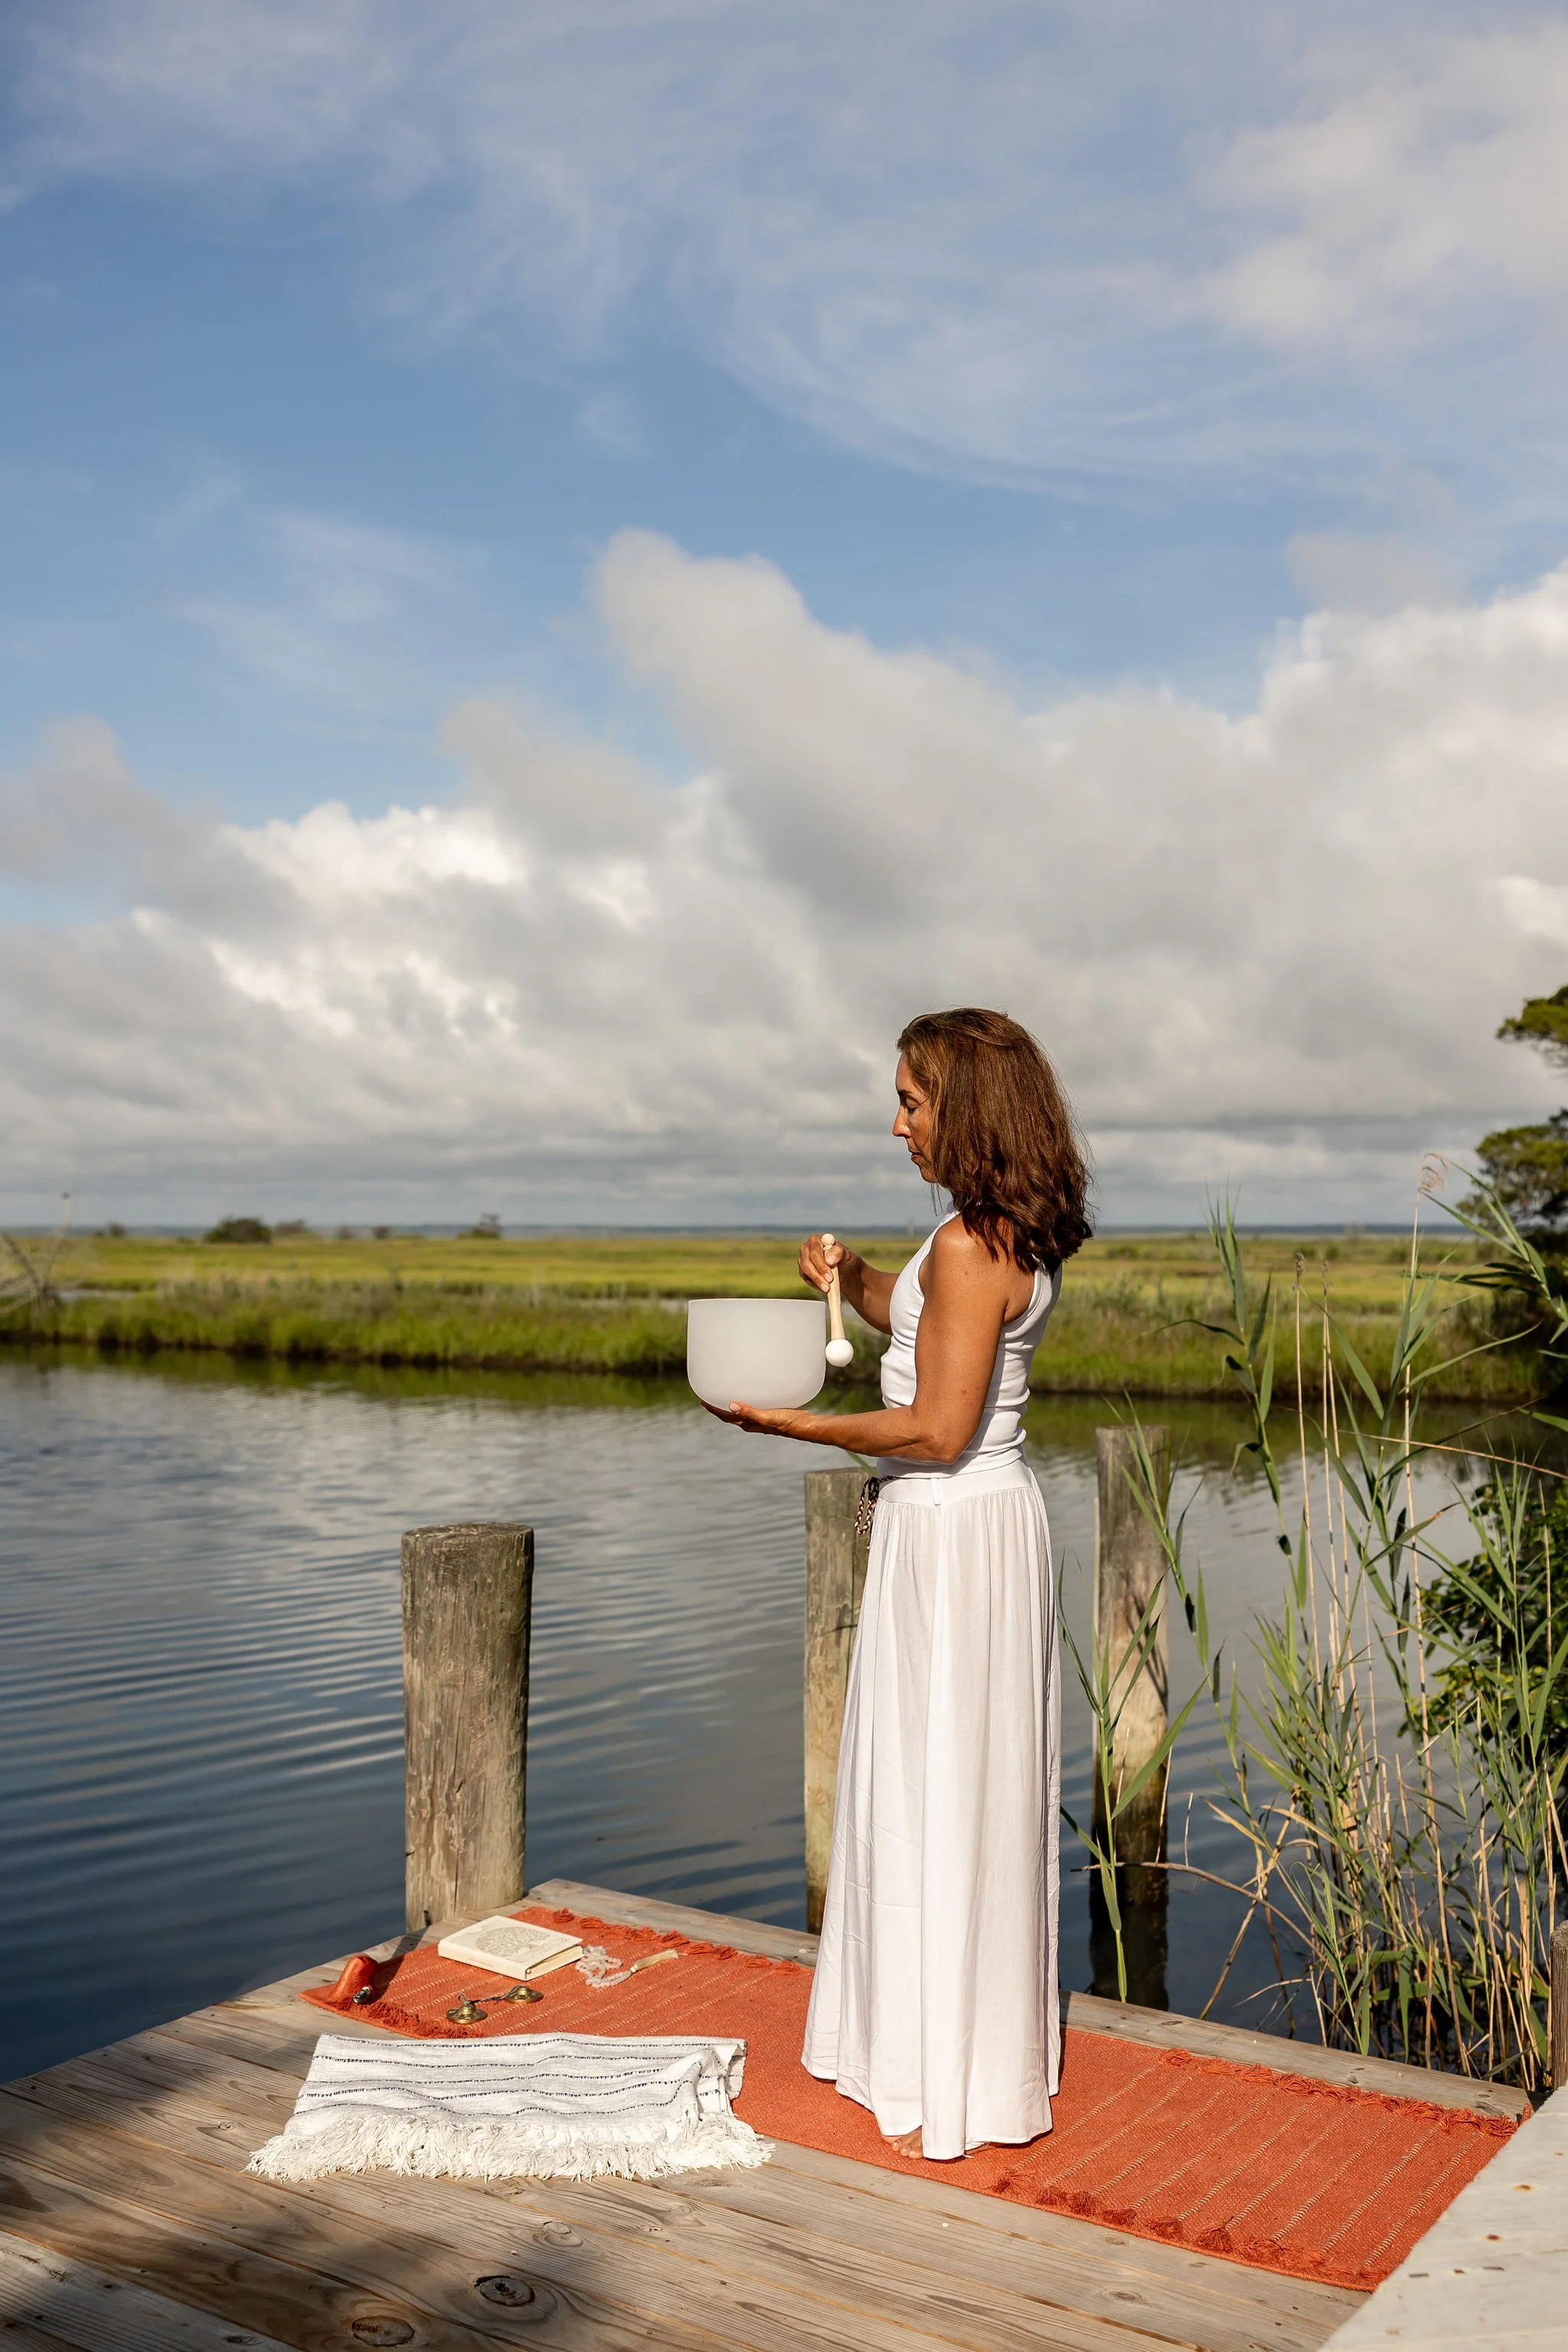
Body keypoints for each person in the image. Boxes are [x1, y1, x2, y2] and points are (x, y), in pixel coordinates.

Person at [704, 1008, 1093, 2161]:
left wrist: (796, 1425)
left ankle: (941, 2066)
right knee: (951, 1776)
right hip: (976, 1525)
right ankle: (944, 2044)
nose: (896, 1123)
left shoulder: (973, 1244)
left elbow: (934, 1427)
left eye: (911, 1102)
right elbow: (924, 1323)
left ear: (965, 1108)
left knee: (938, 1778)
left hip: (952, 1527)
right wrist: (857, 1277)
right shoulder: (994, 1235)